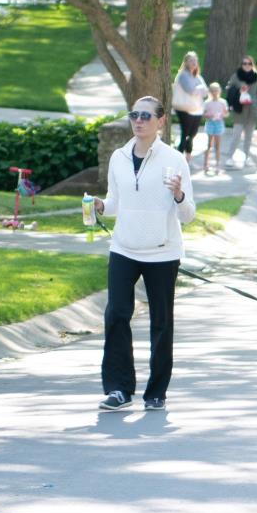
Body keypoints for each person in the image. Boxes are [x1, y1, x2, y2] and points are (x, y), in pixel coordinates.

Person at [91, 96, 196, 410]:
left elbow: (188, 215)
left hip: (162, 252)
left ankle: (156, 393)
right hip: (123, 247)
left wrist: (178, 194)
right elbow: (115, 202)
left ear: (160, 121)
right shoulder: (119, 157)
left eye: (146, 116)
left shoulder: (174, 160)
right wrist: (100, 206)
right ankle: (118, 389)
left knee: (161, 323)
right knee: (116, 315)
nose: (138, 120)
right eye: (134, 114)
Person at [227, 55, 257, 166]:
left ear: (252, 65)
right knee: (236, 136)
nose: (247, 65)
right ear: (241, 65)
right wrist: (239, 91)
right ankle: (229, 157)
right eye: (244, 63)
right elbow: (229, 89)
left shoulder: (256, 76)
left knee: (248, 137)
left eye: (249, 63)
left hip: (252, 111)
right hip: (239, 111)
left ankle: (246, 157)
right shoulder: (236, 76)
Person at [171, 51, 206, 155]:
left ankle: (187, 157)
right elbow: (190, 90)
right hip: (183, 108)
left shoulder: (197, 77)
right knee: (185, 133)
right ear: (186, 62)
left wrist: (198, 89)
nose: (194, 63)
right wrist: (199, 89)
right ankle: (179, 155)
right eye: (191, 60)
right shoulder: (183, 75)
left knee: (192, 134)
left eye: (195, 60)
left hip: (196, 109)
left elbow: (205, 92)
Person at [200, 82, 228, 176]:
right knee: (209, 145)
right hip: (210, 124)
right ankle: (206, 164)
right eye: (212, 91)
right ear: (210, 92)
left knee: (218, 145)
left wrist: (222, 115)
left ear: (219, 91)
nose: (214, 93)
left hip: (219, 124)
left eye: (216, 90)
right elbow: (203, 114)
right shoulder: (207, 102)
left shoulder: (223, 102)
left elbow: (226, 113)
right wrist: (209, 115)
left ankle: (217, 165)